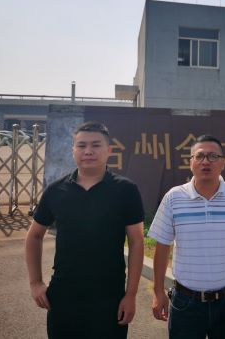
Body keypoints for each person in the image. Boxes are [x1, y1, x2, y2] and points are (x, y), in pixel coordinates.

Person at [25, 121, 145, 339]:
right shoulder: (56, 190)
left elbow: (137, 242)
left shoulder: (126, 190)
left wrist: (131, 295)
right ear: (73, 150)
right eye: (81, 145)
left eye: (96, 145)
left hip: (109, 297)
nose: (88, 151)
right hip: (63, 294)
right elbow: (34, 235)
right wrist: (35, 283)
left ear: (109, 150)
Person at [148, 134, 225, 339]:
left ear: (223, 163)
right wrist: (158, 292)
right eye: (199, 156)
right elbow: (162, 246)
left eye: (213, 156)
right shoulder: (174, 197)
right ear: (191, 162)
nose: (206, 161)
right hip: (186, 302)